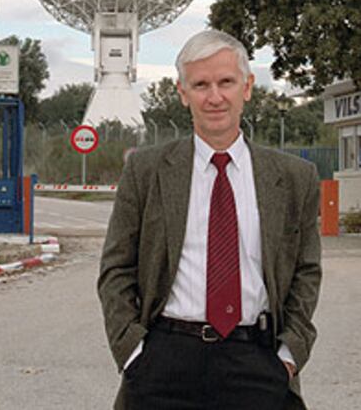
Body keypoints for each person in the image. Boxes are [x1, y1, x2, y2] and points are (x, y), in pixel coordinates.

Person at [98, 29, 321, 410]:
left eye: (226, 82)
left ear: (247, 87)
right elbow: (116, 269)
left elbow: (306, 271)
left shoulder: (294, 178)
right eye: (200, 84)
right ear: (183, 93)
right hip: (164, 363)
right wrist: (134, 352)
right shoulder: (146, 171)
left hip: (258, 362)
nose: (214, 97)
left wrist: (288, 355)